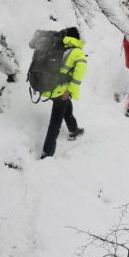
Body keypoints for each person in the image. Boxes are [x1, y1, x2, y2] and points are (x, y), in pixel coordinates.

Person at [40, 27, 87, 159]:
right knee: (55, 122)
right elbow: (78, 76)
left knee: (68, 108)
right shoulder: (77, 52)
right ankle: (47, 152)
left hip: (51, 88)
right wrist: (69, 90)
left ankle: (74, 130)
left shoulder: (59, 48)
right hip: (62, 91)